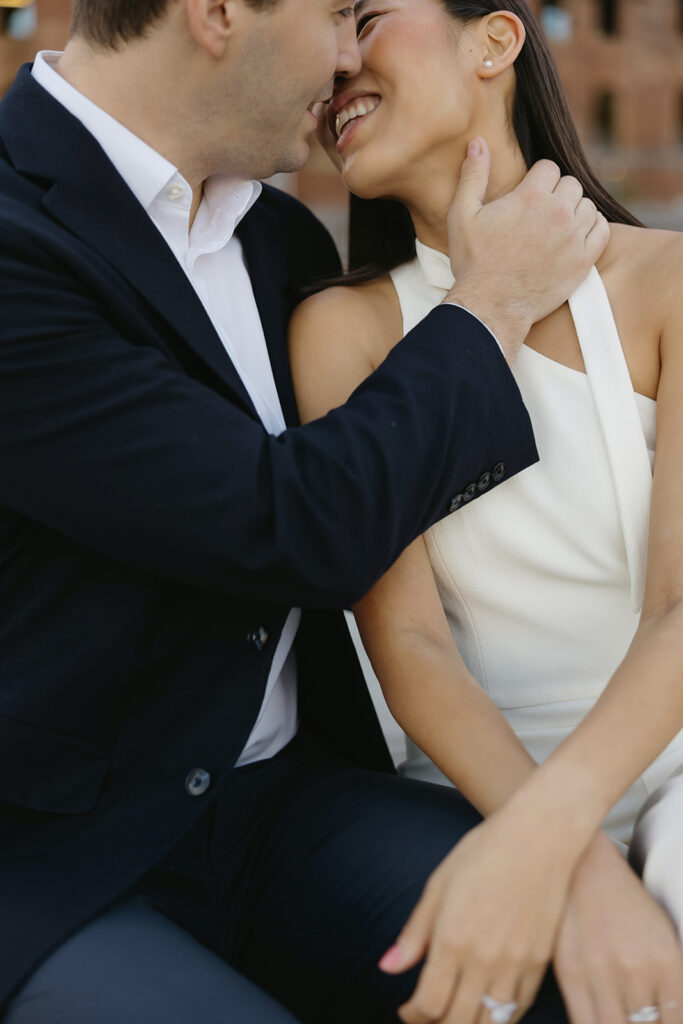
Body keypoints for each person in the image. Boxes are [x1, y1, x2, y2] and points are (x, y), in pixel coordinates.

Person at [0, 0, 609, 1020]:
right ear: (220, 12)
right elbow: (285, 523)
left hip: (286, 806)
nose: (345, 57)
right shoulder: (15, 243)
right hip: (59, 854)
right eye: (335, 14)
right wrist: (490, 300)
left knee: (568, 963)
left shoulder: (278, 240)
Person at [288, 0, 683, 1022]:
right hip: (469, 795)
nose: (339, 59)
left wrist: (558, 835)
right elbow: (410, 646)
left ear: (495, 41)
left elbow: (678, 610)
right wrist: (564, 863)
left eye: (367, 16)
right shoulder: (343, 332)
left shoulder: (665, 285)